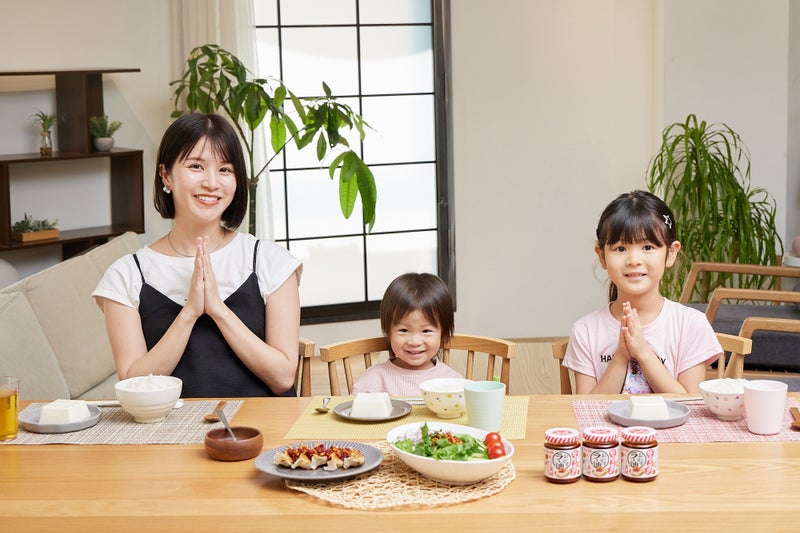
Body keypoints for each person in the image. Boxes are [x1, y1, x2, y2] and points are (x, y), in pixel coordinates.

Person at [92, 113, 302, 398]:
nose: (212, 183)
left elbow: (283, 378)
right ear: (166, 175)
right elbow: (133, 386)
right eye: (196, 166)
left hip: (262, 434)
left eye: (225, 170)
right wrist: (190, 312)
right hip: (168, 436)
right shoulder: (126, 275)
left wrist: (218, 309)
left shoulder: (270, 261)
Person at [562, 190, 722, 394]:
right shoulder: (585, 330)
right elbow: (585, 410)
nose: (634, 260)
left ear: (671, 253)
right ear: (601, 256)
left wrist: (643, 353)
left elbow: (691, 404)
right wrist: (620, 357)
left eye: (647, 247)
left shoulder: (691, 325)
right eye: (620, 249)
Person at [351, 273, 463, 396]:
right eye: (404, 330)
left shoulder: (453, 381)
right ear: (387, 331)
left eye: (426, 331)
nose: (414, 342)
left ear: (444, 334)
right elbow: (354, 409)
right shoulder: (375, 377)